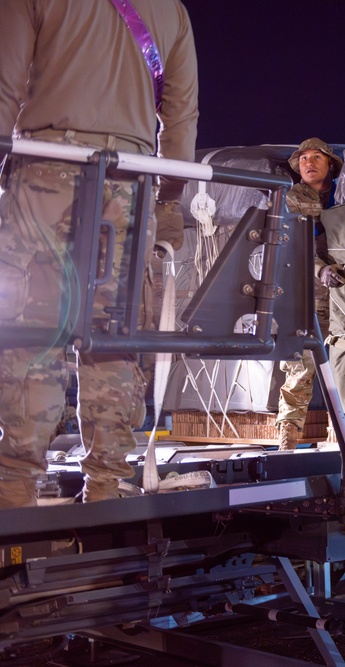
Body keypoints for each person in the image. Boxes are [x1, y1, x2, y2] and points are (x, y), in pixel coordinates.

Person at [0, 0, 199, 506]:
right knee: (112, 338)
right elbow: (180, 116)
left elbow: (4, 85)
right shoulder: (170, 10)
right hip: (127, 184)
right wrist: (169, 201)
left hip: (45, 170)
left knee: (33, 330)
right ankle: (107, 487)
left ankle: (16, 486)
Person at [275, 138, 345, 450]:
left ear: (331, 164)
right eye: (303, 158)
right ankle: (287, 438)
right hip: (307, 291)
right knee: (300, 367)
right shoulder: (294, 199)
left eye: (317, 157)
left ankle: (343, 437)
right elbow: (293, 246)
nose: (308, 163)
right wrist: (321, 269)